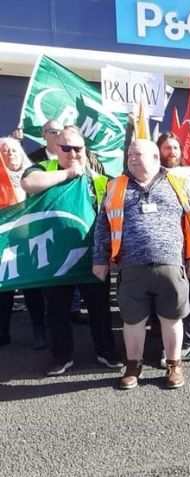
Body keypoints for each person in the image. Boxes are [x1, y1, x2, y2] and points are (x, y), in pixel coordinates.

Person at [93, 139, 190, 389]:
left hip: (171, 265)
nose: (131, 157)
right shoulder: (116, 186)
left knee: (172, 318)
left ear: (156, 157)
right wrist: (99, 259)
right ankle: (133, 366)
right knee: (132, 321)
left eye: (138, 153)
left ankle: (174, 365)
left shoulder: (179, 183)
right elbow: (102, 224)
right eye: (129, 154)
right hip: (131, 267)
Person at [21, 125, 121, 376]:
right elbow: (28, 183)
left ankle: (106, 351)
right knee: (57, 311)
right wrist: (68, 174)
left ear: (85, 150)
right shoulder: (45, 169)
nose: (72, 153)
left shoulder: (98, 179)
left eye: (78, 148)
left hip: (92, 257)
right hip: (55, 257)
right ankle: (61, 356)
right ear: (56, 148)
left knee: (99, 308)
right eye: (66, 147)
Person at [155, 133, 190, 362]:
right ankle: (166, 349)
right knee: (166, 302)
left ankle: (186, 343)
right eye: (167, 148)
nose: (172, 152)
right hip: (165, 253)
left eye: (176, 148)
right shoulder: (150, 179)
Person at [0, 137, 46, 349]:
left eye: (14, 150)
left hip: (31, 239)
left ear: (21, 152)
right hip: (5, 242)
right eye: (5, 150)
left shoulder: (35, 174)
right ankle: (2, 333)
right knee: (3, 289)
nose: (10, 154)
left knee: (33, 289)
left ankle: (40, 332)